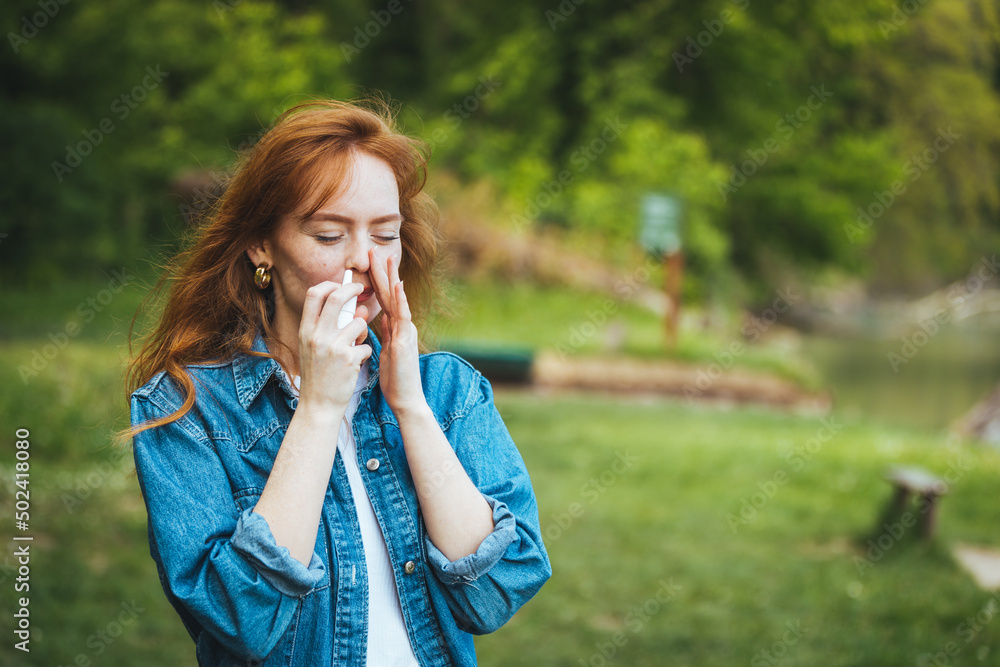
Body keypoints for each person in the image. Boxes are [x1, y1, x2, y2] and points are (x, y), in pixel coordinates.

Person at [124, 99, 551, 666]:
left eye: (386, 234)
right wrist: (319, 409)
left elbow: (498, 591)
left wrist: (411, 408)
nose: (364, 260)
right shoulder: (188, 409)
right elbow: (242, 620)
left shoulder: (448, 390)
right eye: (329, 235)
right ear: (261, 245)